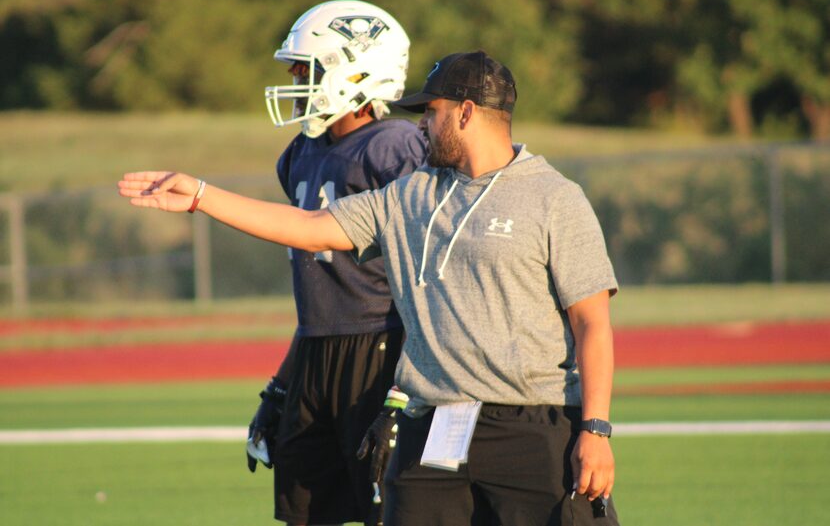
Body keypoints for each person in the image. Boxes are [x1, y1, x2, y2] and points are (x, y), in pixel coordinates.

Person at [118, 50, 620, 526]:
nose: (421, 124)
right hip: (434, 428)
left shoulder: (554, 197)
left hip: (532, 424)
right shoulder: (410, 195)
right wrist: (202, 197)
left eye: (432, 111)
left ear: (467, 112)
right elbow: (309, 226)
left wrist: (595, 429)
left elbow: (591, 322)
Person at [233, 0, 425, 526]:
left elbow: (430, 279)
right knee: (305, 512)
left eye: (307, 67)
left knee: (386, 510)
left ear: (356, 70)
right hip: (317, 349)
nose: (297, 77)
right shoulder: (301, 153)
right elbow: (321, 300)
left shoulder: (397, 148)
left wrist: (406, 386)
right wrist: (281, 384)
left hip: (383, 346)